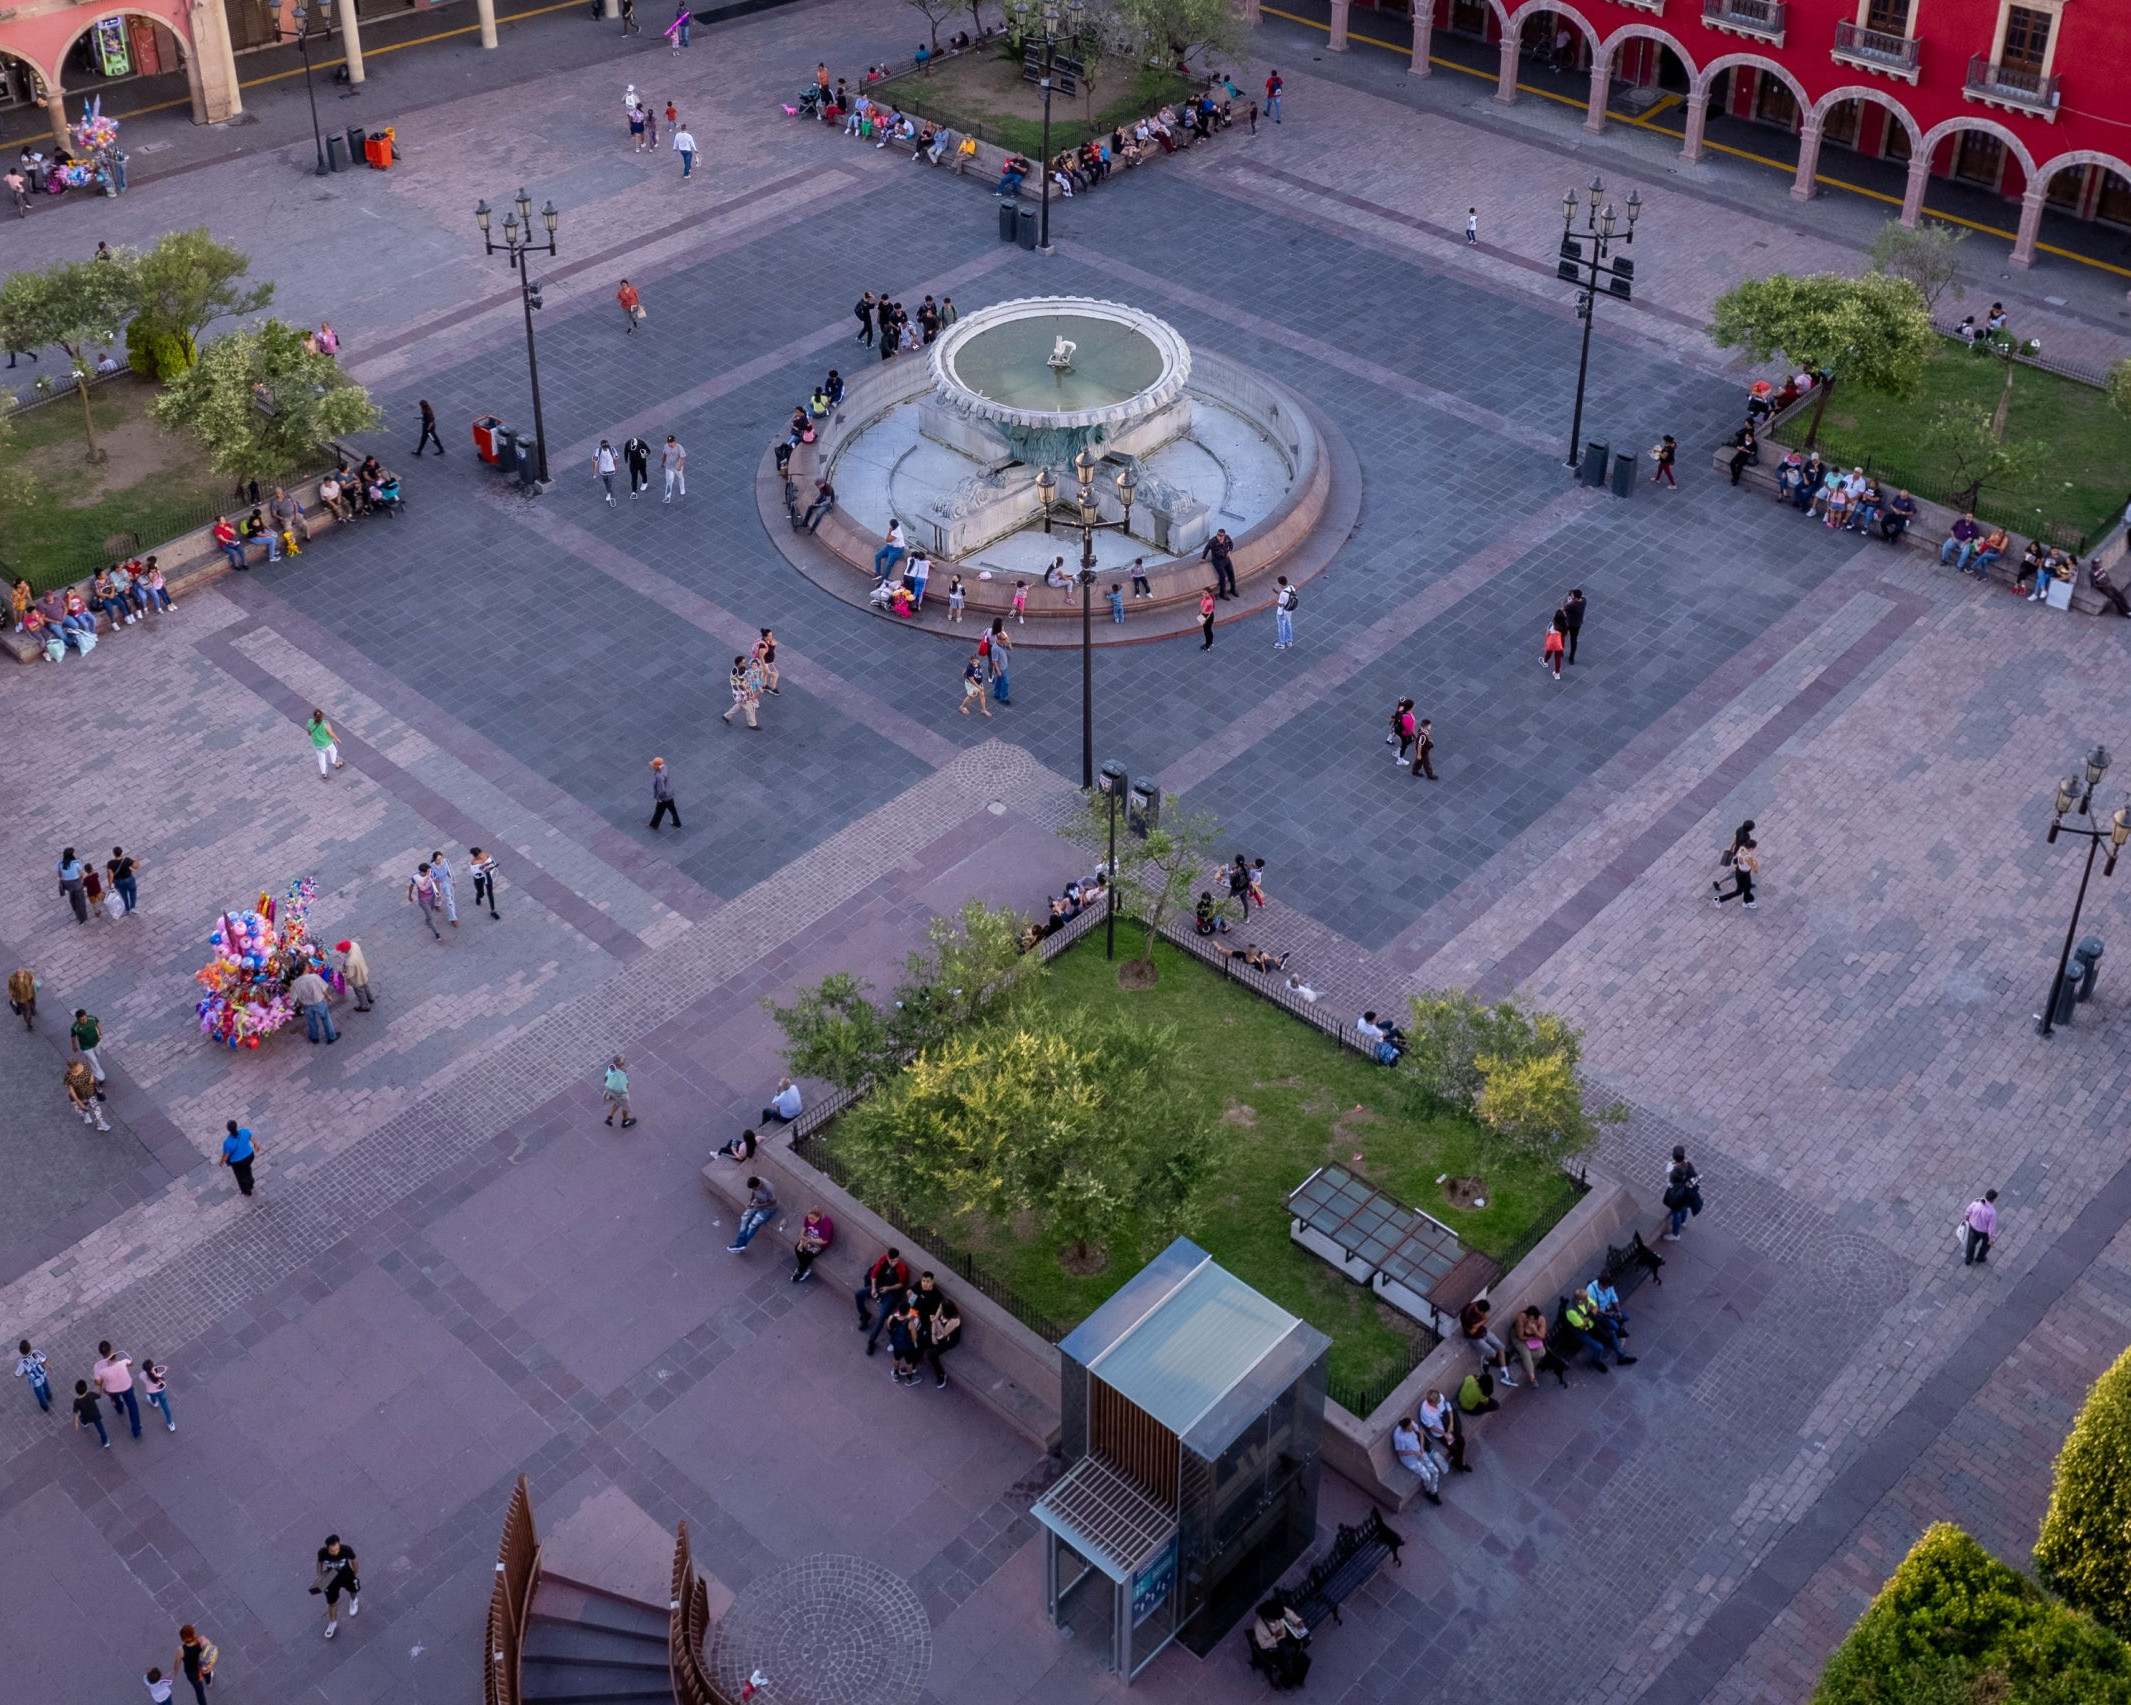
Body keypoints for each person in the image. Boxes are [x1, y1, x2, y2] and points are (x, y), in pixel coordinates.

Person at [855, 1247, 910, 1349]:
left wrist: (888, 1288)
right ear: (888, 1258)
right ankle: (865, 1315)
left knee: (882, 1315)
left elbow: (901, 1284)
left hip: (891, 1293)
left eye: (896, 1260)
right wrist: (873, 1288)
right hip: (879, 1286)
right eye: (892, 1261)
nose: (894, 1263)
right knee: (858, 1294)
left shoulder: (901, 1268)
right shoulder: (883, 1258)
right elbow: (874, 1273)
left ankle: (871, 1341)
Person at [1250, 1599, 1311, 1689]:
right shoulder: (1259, 1626)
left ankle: (1299, 1679)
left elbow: (1290, 1614)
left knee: (1305, 1661)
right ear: (1268, 1617)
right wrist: (1274, 1638)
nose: (1276, 1621)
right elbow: (1263, 1645)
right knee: (1287, 1670)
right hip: (1275, 1650)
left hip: (1286, 1643)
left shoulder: (1279, 1610)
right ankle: (1286, 1683)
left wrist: (1298, 1621)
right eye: (1275, 1619)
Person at [1459, 1298, 1517, 1386]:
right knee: (1492, 1354)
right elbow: (1472, 1332)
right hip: (1474, 1338)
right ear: (1478, 1309)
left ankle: (1505, 1375)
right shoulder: (1467, 1316)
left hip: (1483, 1332)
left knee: (1501, 1348)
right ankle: (1485, 1360)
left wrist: (1477, 1325)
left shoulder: (1479, 1306)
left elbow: (1486, 1319)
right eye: (1482, 1313)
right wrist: (1479, 1324)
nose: (1483, 1314)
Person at [311, 1535, 360, 1637]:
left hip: (346, 1574)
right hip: (330, 1578)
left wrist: (355, 1574)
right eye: (332, 1551)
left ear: (339, 1545)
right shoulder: (322, 1552)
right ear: (327, 1548)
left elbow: (354, 1560)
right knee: (331, 1602)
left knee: (352, 1589)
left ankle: (353, 1601)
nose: (335, 1553)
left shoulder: (346, 1549)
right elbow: (319, 1563)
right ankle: (333, 1623)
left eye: (337, 1549)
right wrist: (320, 1577)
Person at [1513, 1305, 1569, 1388]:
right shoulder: (1521, 1319)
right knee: (1526, 1353)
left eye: (1533, 1319)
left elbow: (1542, 1336)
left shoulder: (1541, 1320)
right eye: (1529, 1319)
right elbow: (1520, 1336)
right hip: (1519, 1339)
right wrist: (1530, 1336)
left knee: (1542, 1352)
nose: (1531, 1321)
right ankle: (1532, 1378)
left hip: (1532, 1340)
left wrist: (1535, 1331)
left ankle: (1525, 1360)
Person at [93, 1342, 142, 1439]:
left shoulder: (98, 1368)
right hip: (127, 1386)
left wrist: (104, 1378)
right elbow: (131, 1363)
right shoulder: (122, 1362)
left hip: (112, 1390)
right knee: (133, 1407)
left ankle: (119, 1408)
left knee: (115, 1399)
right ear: (111, 1350)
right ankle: (136, 1430)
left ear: (101, 1354)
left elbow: (97, 1382)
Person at [1389, 1416, 1442, 1504]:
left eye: (1411, 1425)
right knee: (1427, 1476)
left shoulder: (1411, 1423)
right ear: (1404, 1428)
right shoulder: (1399, 1437)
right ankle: (1429, 1492)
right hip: (1410, 1459)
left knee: (1435, 1471)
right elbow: (1400, 1453)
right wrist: (1414, 1453)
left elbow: (1421, 1433)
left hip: (1419, 1451)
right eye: (1410, 1428)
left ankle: (1433, 1491)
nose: (1412, 1428)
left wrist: (1421, 1448)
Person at [1418, 1388, 1468, 1471]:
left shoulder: (1441, 1397)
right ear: (1430, 1402)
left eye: (1439, 1401)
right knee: (1453, 1448)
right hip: (1440, 1433)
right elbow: (1431, 1426)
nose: (1438, 1403)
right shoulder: (1425, 1412)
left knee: (1461, 1440)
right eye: (1436, 1402)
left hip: (1448, 1425)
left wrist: (1451, 1424)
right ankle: (1460, 1464)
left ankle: (1461, 1458)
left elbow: (1449, 1409)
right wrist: (1445, 1434)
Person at [1712, 820, 1758, 909]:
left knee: (1747, 886)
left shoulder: (1740, 830)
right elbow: (1755, 869)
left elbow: (1735, 839)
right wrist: (1755, 862)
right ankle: (1719, 898)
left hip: (1742, 868)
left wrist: (1731, 847)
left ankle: (1747, 901)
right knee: (1738, 891)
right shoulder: (1746, 853)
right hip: (1742, 872)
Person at [728, 1175, 778, 1252]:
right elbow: (753, 1192)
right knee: (744, 1217)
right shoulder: (755, 1184)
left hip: (767, 1209)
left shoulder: (768, 1189)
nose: (754, 1189)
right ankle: (740, 1244)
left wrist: (759, 1205)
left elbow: (773, 1201)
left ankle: (740, 1244)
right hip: (757, 1203)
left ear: (759, 1185)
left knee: (753, 1225)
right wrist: (751, 1201)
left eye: (755, 1188)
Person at [289, 965, 337, 1045]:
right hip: (319, 1002)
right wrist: (328, 996)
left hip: (306, 1005)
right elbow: (323, 988)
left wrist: (295, 1004)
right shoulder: (314, 977)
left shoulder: (295, 983)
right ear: (304, 969)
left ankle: (314, 1037)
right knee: (325, 1019)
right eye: (307, 967)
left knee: (311, 1021)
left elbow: (293, 998)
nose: (309, 968)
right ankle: (331, 1037)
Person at [791, 1207, 834, 1281]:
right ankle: (804, 1267)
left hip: (819, 1241)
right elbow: (804, 1228)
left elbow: (824, 1241)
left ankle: (801, 1270)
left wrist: (809, 1241)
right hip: (809, 1236)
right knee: (797, 1248)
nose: (810, 1220)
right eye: (809, 1218)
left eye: (813, 1219)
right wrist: (802, 1240)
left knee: (808, 1254)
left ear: (818, 1217)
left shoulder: (826, 1223)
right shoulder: (808, 1218)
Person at [67, 1058, 109, 1130]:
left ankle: (87, 1117)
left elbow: (72, 1092)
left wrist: (79, 1102)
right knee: (96, 1108)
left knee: (85, 1108)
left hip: (81, 1095)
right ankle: (99, 1123)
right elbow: (92, 1079)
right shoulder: (84, 1067)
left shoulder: (69, 1076)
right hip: (89, 1093)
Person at [407, 863, 445, 940]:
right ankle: (437, 933)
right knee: (431, 917)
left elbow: (435, 881)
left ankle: (428, 920)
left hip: (432, 896)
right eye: (428, 871)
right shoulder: (415, 878)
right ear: (423, 872)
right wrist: (410, 896)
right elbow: (411, 886)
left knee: (430, 911)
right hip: (423, 900)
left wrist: (438, 892)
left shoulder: (430, 872)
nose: (429, 872)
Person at [220, 1120, 257, 1196]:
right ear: (236, 1126)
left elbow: (226, 1155)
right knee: (247, 1167)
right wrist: (256, 1145)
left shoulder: (227, 1142)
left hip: (238, 1162)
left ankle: (247, 1190)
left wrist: (221, 1161)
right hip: (250, 1155)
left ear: (228, 1129)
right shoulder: (244, 1131)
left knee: (241, 1176)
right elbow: (251, 1137)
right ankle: (250, 1181)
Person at [1962, 1188, 1998, 1265]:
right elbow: (1991, 1227)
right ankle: (1980, 1257)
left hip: (1972, 1226)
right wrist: (1991, 1238)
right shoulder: (1992, 1212)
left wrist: (1967, 1217)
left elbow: (1968, 1211)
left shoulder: (1976, 1204)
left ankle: (1968, 1259)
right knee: (1986, 1245)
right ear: (1993, 1200)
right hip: (1984, 1232)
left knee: (1971, 1244)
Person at [335, 940, 373, 1011]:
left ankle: (365, 1006)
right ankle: (370, 998)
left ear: (346, 949)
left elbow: (349, 975)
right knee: (365, 985)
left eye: (342, 950)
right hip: (362, 970)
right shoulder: (355, 945)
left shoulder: (350, 962)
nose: (341, 952)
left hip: (356, 978)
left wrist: (342, 974)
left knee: (359, 991)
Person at [306, 709, 343, 779]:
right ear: (322, 716)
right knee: (334, 752)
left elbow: (309, 732)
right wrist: (337, 739)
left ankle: (324, 773)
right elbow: (330, 733)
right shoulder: (325, 723)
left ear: (314, 716)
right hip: (328, 743)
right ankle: (336, 764)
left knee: (321, 759)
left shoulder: (310, 722)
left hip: (318, 745)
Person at [74, 1379, 109, 1449]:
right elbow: (99, 1395)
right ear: (86, 1388)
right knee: (100, 1429)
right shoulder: (90, 1395)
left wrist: (76, 1423)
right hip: (95, 1415)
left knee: (82, 1418)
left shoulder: (77, 1401)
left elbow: (75, 1412)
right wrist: (100, 1386)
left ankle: (84, 1423)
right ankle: (105, 1442)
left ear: (76, 1391)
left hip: (86, 1416)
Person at [1202, 528, 1237, 598]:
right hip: (1217, 561)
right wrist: (1203, 557)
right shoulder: (1213, 541)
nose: (1219, 537)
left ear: (1224, 536)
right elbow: (1206, 548)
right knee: (1223, 576)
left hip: (1226, 559)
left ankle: (1233, 589)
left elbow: (1231, 544)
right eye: (1218, 535)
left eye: (1221, 535)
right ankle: (1222, 593)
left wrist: (1229, 551)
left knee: (1231, 573)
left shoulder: (1227, 538)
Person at [602, 1055, 636, 1128]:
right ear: (622, 1064)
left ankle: (610, 1117)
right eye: (624, 1062)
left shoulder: (611, 1067)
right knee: (625, 1107)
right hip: (620, 1093)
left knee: (617, 1102)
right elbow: (625, 1086)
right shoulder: (621, 1074)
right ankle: (625, 1121)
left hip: (612, 1092)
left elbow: (605, 1078)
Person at [648, 755, 680, 829]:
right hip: (669, 793)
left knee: (659, 811)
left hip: (664, 797)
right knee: (672, 809)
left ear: (656, 766)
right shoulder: (665, 767)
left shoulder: (659, 776)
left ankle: (654, 824)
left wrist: (659, 797)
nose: (652, 767)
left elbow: (661, 789)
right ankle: (677, 822)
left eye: (653, 765)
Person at [1562, 588, 1586, 663]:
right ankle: (1571, 657)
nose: (1571, 595)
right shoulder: (1584, 600)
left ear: (1575, 597)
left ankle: (1560, 651)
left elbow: (1564, 608)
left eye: (1572, 595)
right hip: (1578, 624)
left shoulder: (1572, 605)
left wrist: (1566, 601)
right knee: (1574, 640)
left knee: (1562, 636)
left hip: (1569, 623)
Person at [1543, 610, 1567, 680]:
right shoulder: (1565, 624)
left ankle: (1545, 662)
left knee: (1549, 651)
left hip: (1553, 642)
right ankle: (1557, 673)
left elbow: (1547, 634)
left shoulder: (1552, 625)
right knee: (1558, 657)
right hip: (1560, 641)